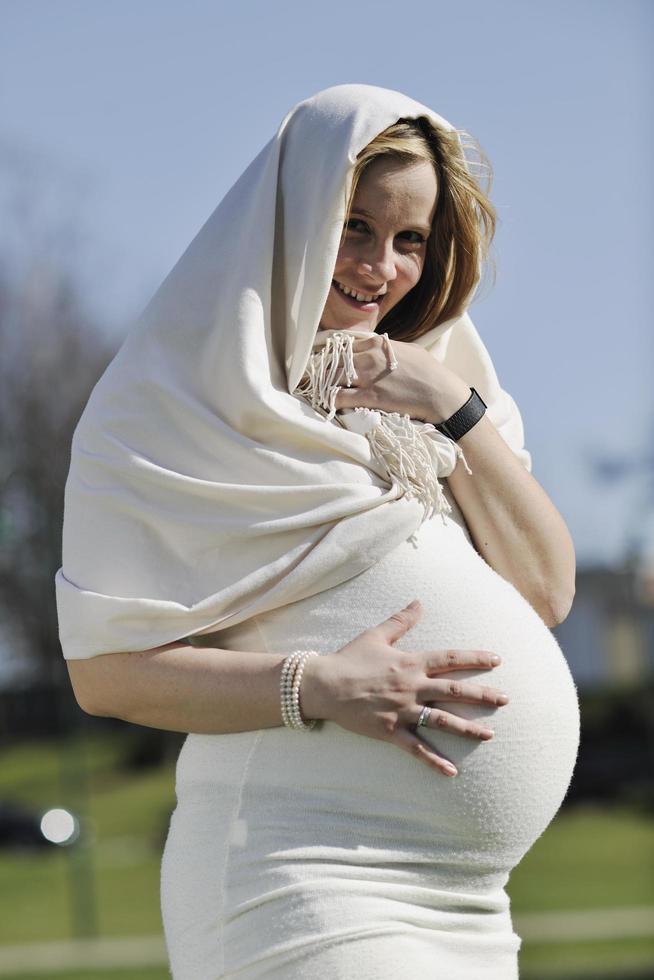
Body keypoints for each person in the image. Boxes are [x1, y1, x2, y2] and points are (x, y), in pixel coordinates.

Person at [56, 83, 581, 979]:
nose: (382, 266)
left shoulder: (439, 398)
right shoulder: (169, 409)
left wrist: (451, 406)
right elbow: (104, 674)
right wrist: (317, 686)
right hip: (303, 875)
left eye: (411, 239)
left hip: (469, 904)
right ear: (291, 222)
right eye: (356, 227)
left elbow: (544, 593)